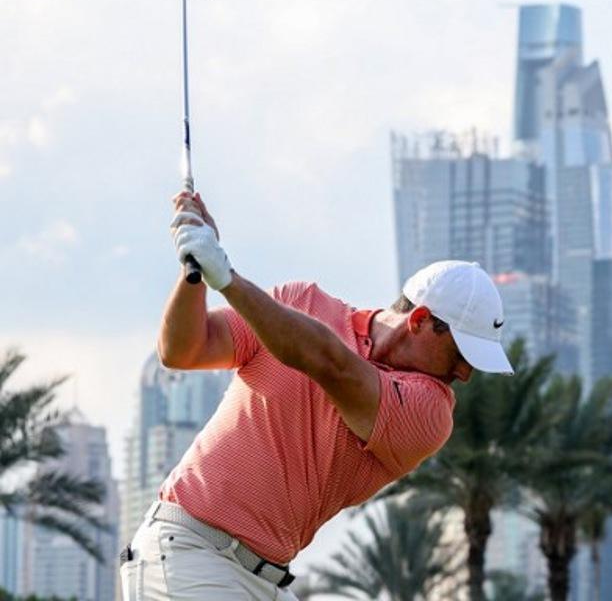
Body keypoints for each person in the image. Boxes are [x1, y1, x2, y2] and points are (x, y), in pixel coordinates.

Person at [119, 192, 513, 599]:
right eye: (462, 353)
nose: (465, 374)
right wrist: (195, 270)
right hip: (189, 555)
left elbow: (331, 365)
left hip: (262, 580)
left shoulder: (430, 411)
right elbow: (183, 350)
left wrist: (228, 279)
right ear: (420, 321)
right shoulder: (300, 303)